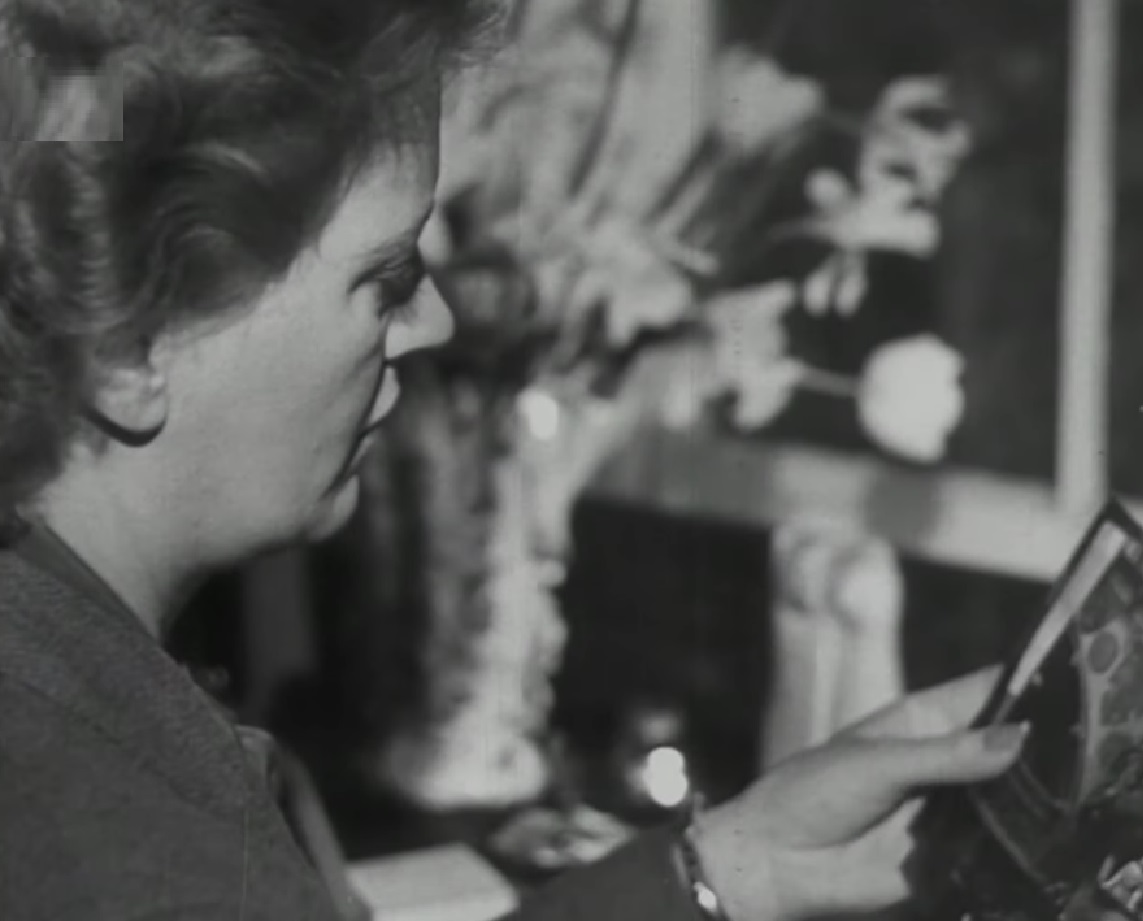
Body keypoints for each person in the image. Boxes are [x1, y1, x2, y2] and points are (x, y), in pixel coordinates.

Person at [0, 1, 1029, 919]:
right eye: (389, 274)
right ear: (126, 350)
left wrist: (734, 865)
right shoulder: (135, 852)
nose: (436, 320)